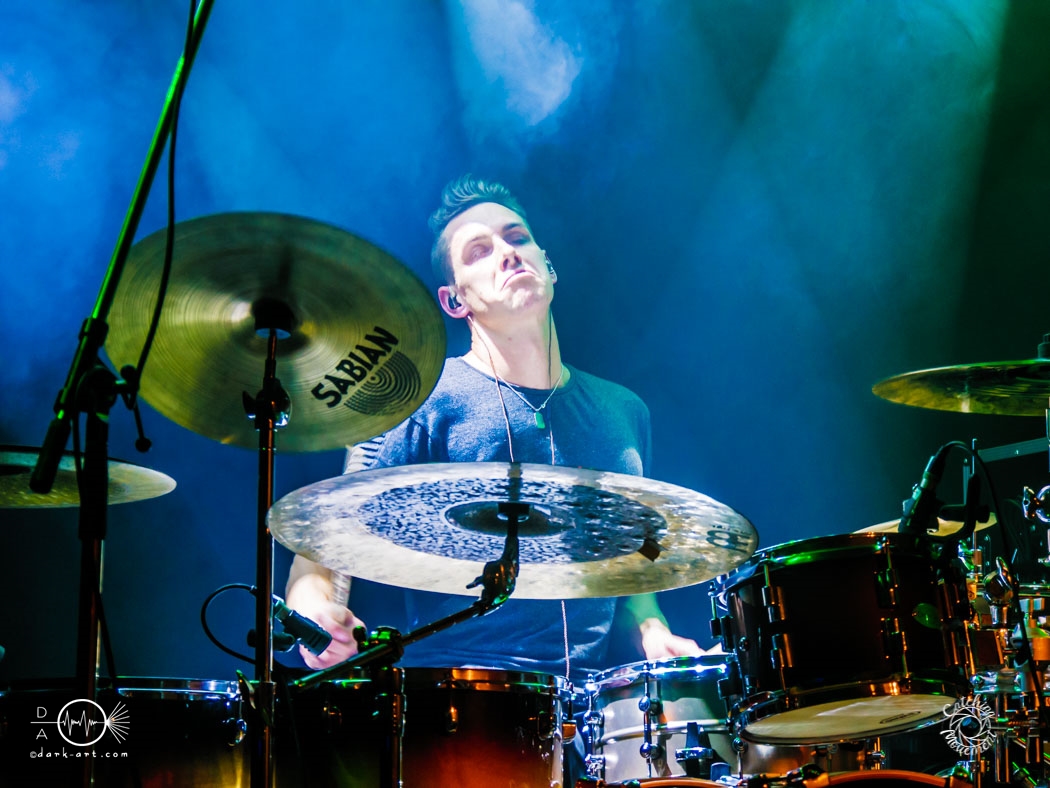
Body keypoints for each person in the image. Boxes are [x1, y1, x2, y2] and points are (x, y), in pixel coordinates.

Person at [285, 174, 703, 682]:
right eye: (479, 251)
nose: (507, 253)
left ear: (548, 265)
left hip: (589, 700)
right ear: (454, 301)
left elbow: (631, 564)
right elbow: (324, 548)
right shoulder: (419, 399)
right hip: (463, 696)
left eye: (517, 237)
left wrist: (651, 630)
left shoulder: (624, 411)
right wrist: (315, 610)